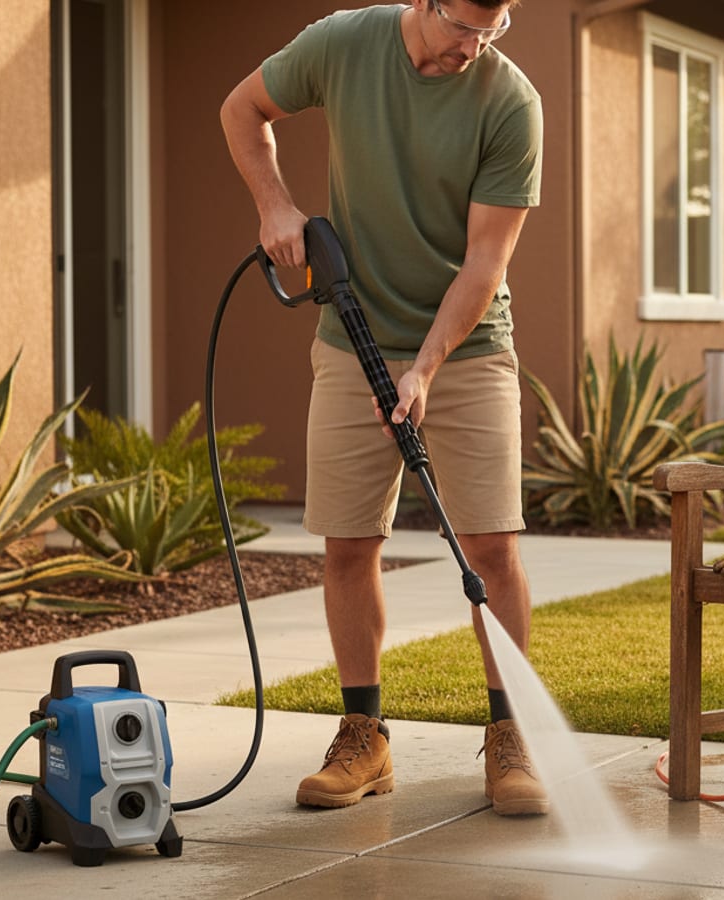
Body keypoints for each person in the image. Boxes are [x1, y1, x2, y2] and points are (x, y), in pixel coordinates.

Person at [220, 0, 545, 816]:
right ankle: (363, 734)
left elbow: (485, 262)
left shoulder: (510, 103)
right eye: (461, 25)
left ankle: (511, 736)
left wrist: (426, 366)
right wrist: (274, 205)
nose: (472, 47)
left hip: (466, 348)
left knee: (493, 550)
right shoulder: (345, 44)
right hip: (348, 336)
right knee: (347, 543)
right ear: (424, 1)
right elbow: (241, 109)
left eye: (492, 30)